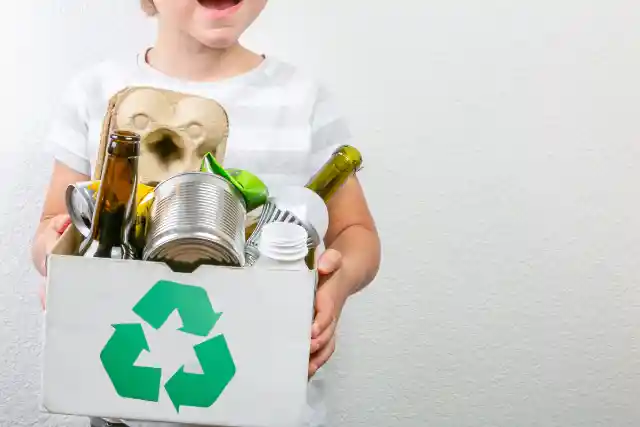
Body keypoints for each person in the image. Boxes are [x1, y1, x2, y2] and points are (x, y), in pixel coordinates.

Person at [31, 0, 381, 426]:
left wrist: (337, 284)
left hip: (268, 406)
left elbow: (356, 231)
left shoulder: (303, 99)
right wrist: (57, 260)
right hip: (122, 412)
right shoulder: (96, 90)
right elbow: (55, 224)